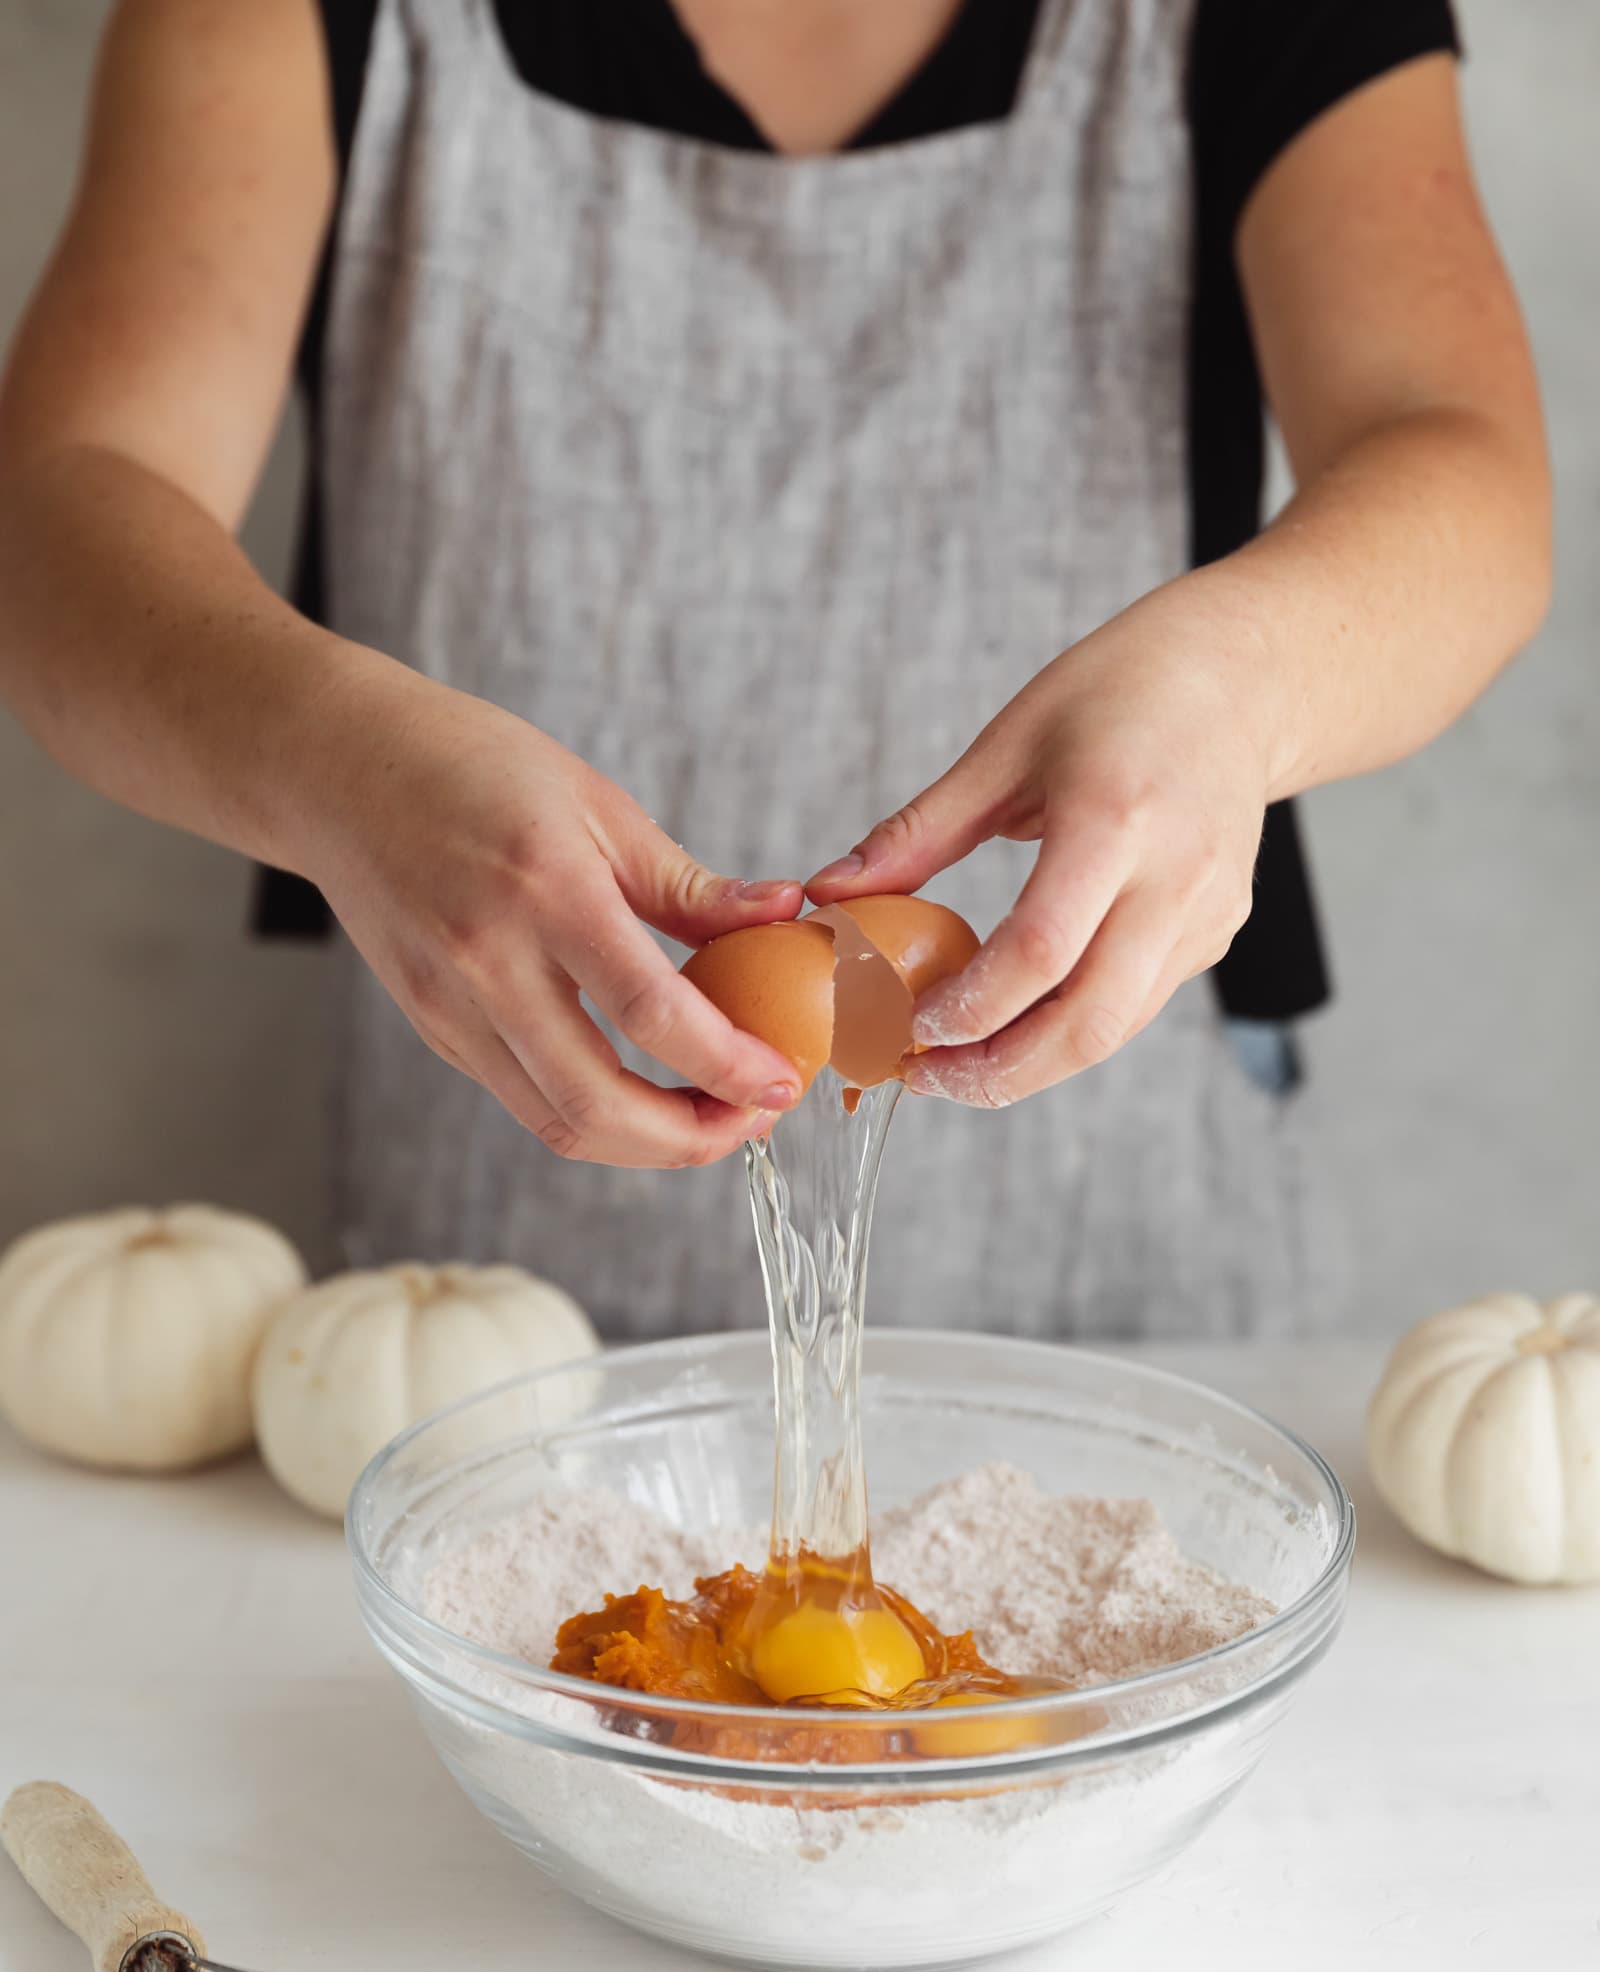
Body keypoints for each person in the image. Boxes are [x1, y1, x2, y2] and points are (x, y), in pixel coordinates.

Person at [0, 0, 1549, 1341]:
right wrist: (339, 763)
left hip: (1137, 1272)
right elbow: (59, 515)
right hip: (486, 1311)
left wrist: (1242, 689)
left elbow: (1463, 470)